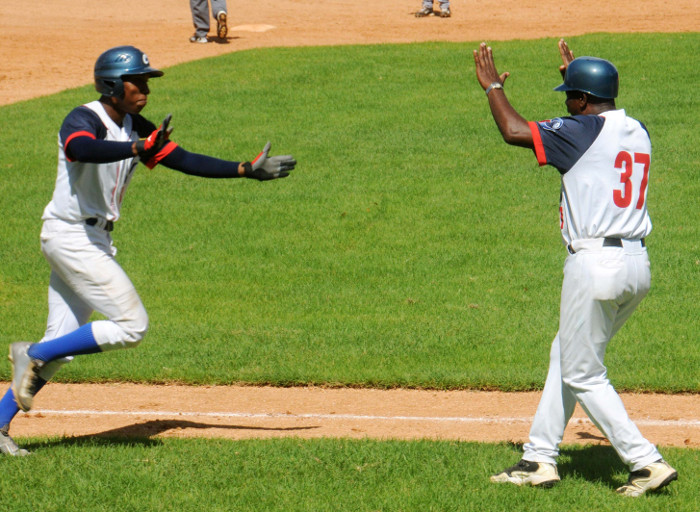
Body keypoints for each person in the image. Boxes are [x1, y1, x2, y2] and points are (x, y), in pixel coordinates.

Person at [0, 45, 296, 457]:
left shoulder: (135, 124)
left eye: (146, 81)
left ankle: (1, 420)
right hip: (70, 237)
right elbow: (80, 149)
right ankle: (30, 354)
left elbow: (181, 158)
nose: (145, 89)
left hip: (92, 239)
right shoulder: (84, 117)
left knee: (63, 341)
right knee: (131, 326)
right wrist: (137, 148)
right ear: (111, 85)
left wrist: (245, 169)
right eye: (137, 82)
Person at [473, 39, 678, 497]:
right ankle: (538, 458)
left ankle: (645, 461)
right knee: (565, 356)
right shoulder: (637, 128)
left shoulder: (579, 132)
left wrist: (491, 86)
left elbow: (512, 130)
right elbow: (592, 125)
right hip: (636, 265)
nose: (565, 103)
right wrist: (579, 80)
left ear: (583, 101)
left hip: (596, 265)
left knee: (583, 371)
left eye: (570, 95)